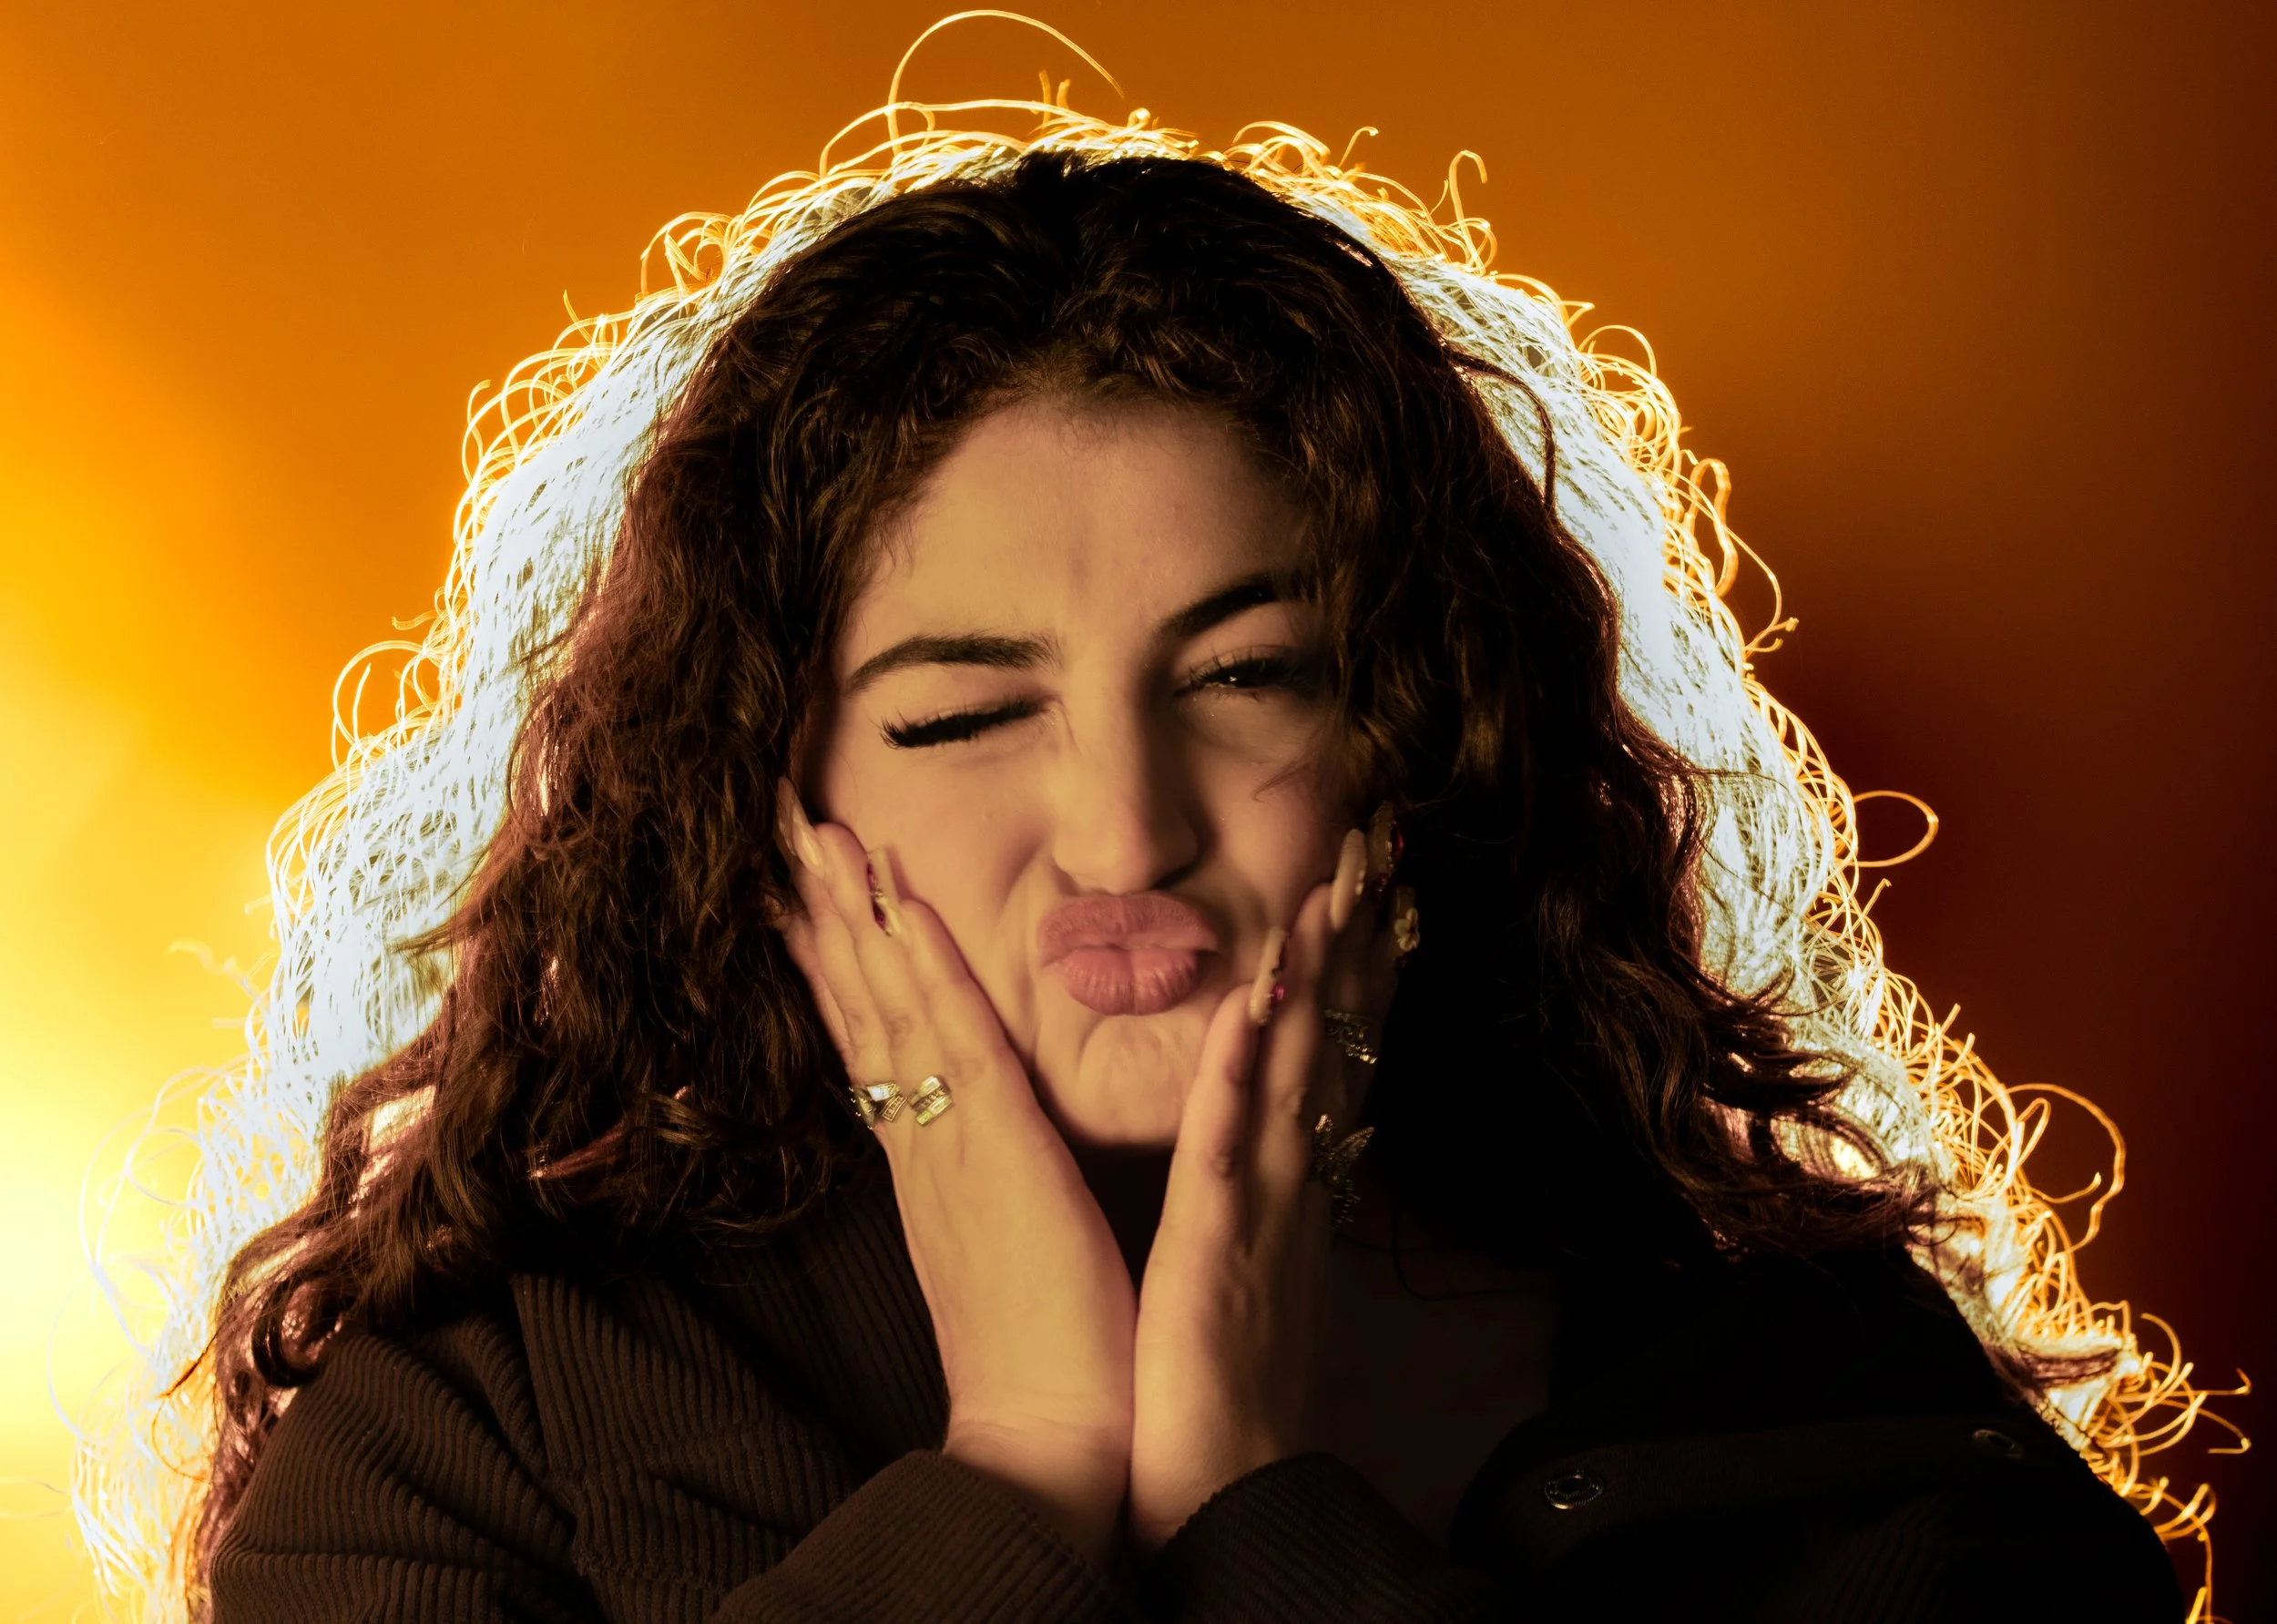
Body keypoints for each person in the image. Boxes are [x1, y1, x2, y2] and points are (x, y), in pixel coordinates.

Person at [93, 95, 2194, 1624]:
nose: (1122, 830)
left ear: (1424, 727)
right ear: (763, 788)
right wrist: (1012, 1466)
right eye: (958, 710)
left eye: (1251, 675)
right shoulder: (481, 1427)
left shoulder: (1812, 1391)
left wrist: (1255, 1506)